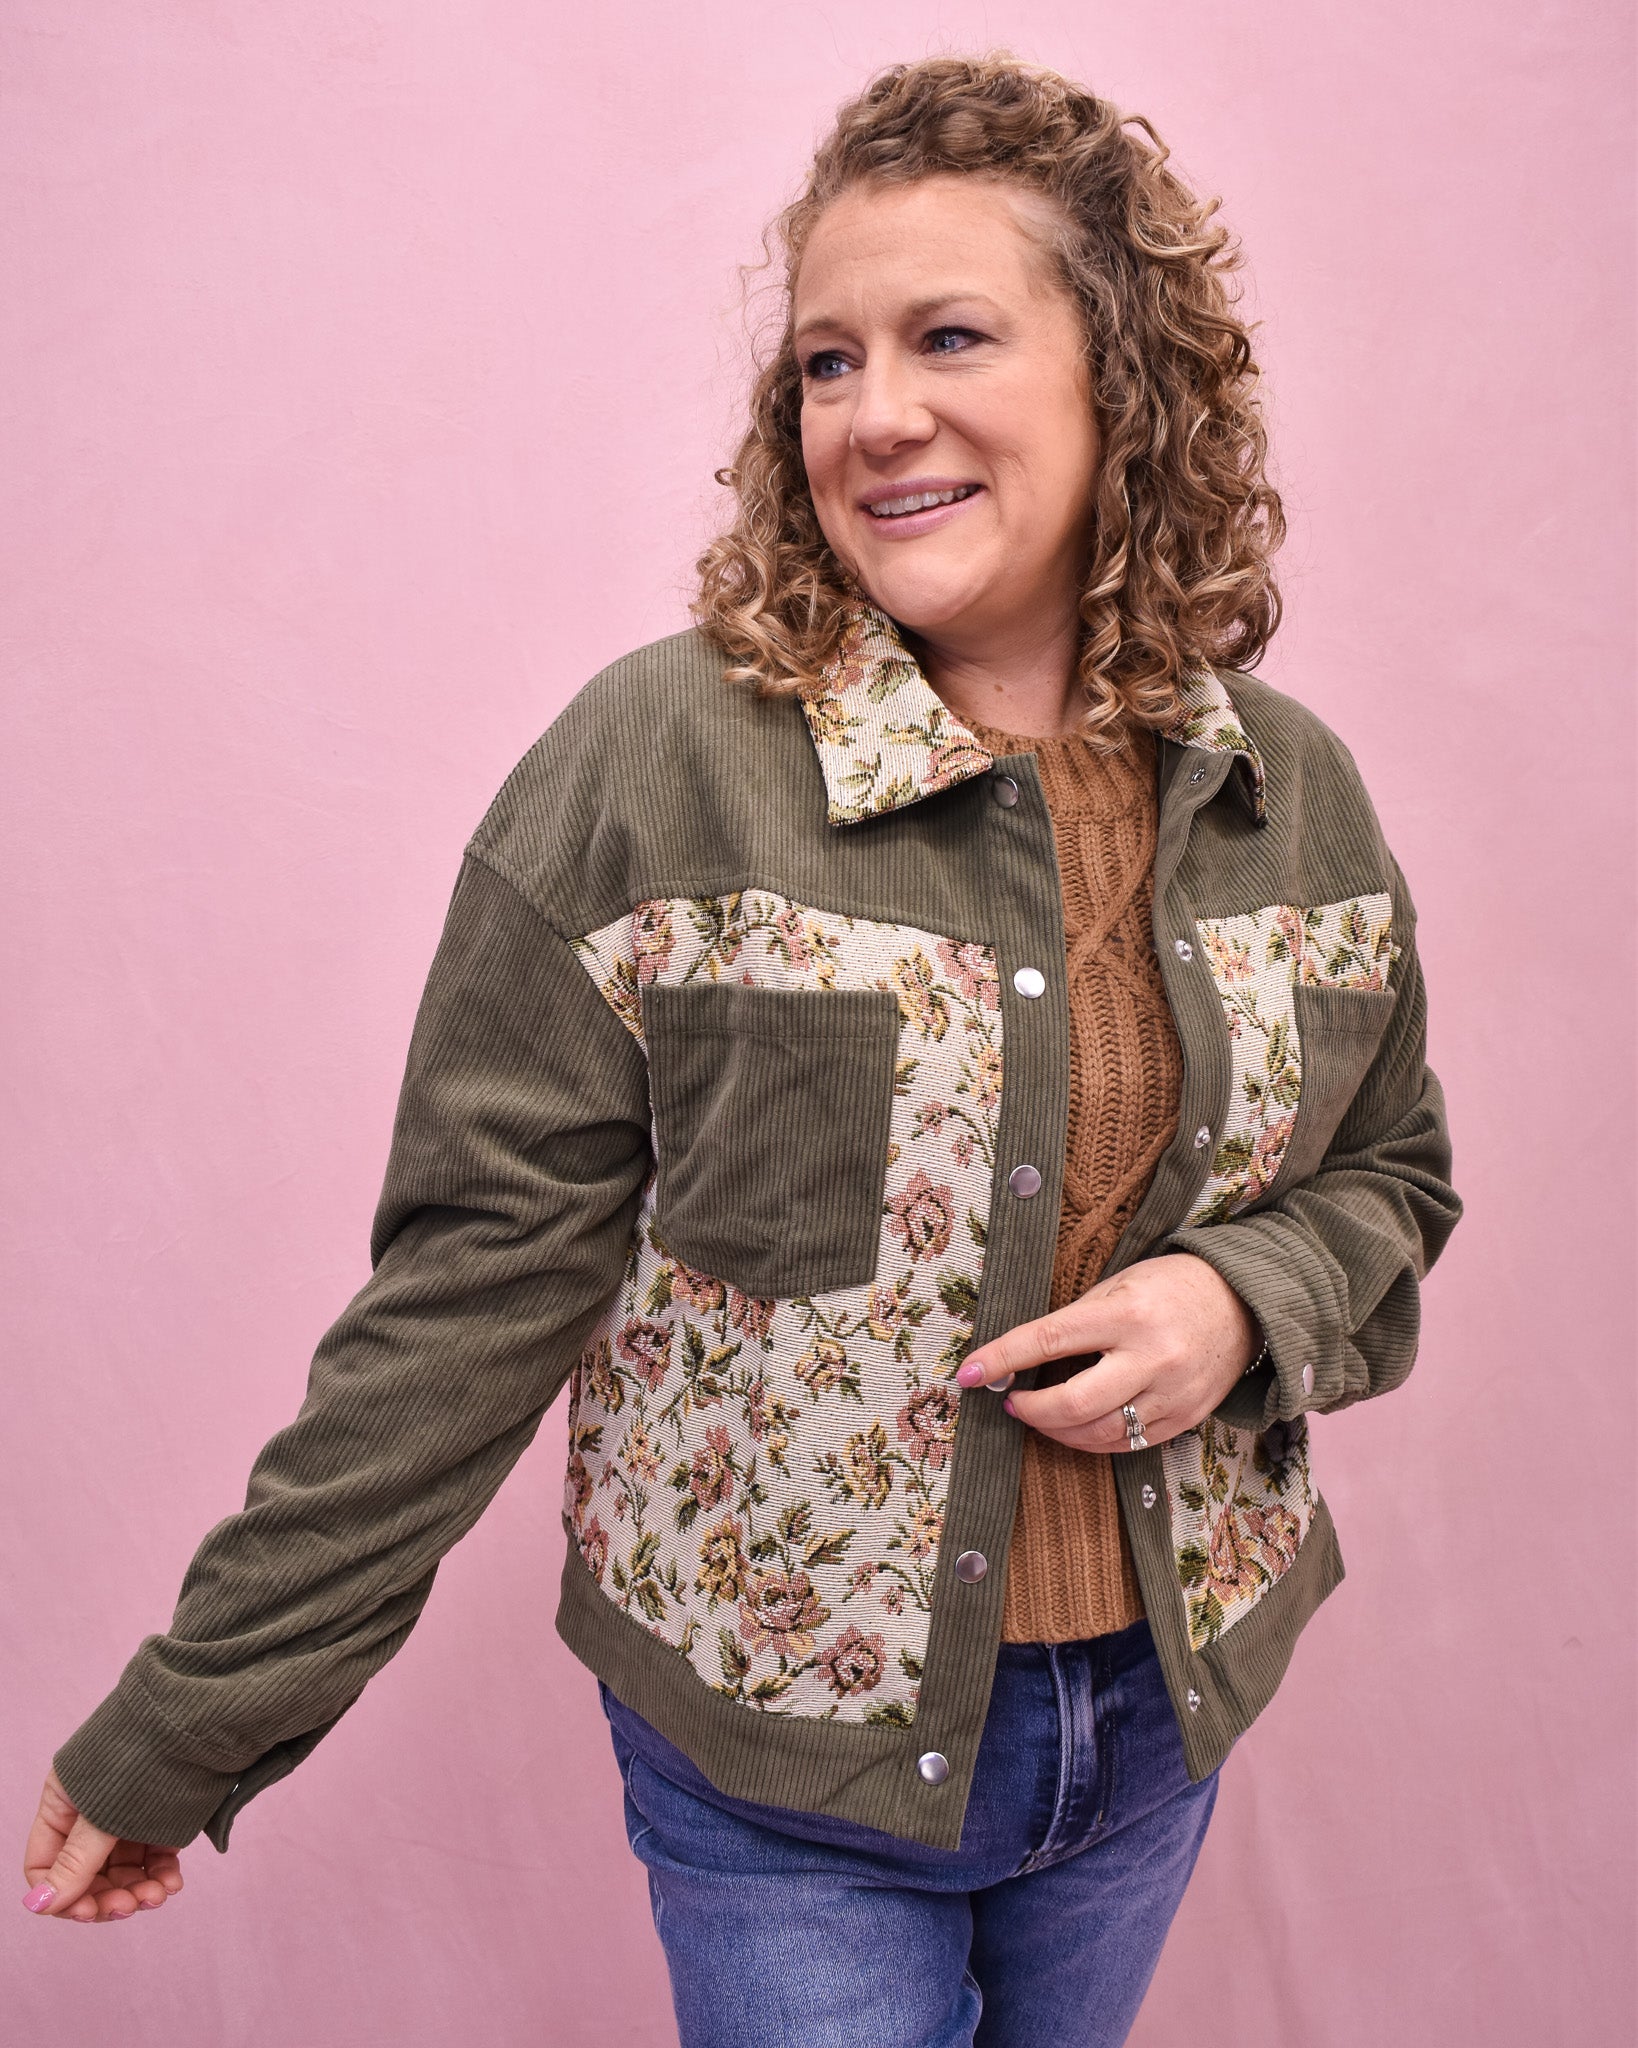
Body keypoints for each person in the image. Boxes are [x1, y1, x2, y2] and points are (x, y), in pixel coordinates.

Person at [22, 53, 1460, 2048]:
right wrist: (199, 1716)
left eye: (948, 336)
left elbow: (1391, 1179)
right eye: (824, 364)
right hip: (784, 1782)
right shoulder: (653, 771)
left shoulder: (1287, 795)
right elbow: (463, 1302)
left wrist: (1238, 1300)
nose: (874, 415)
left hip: (1161, 1715)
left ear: (1123, 378)